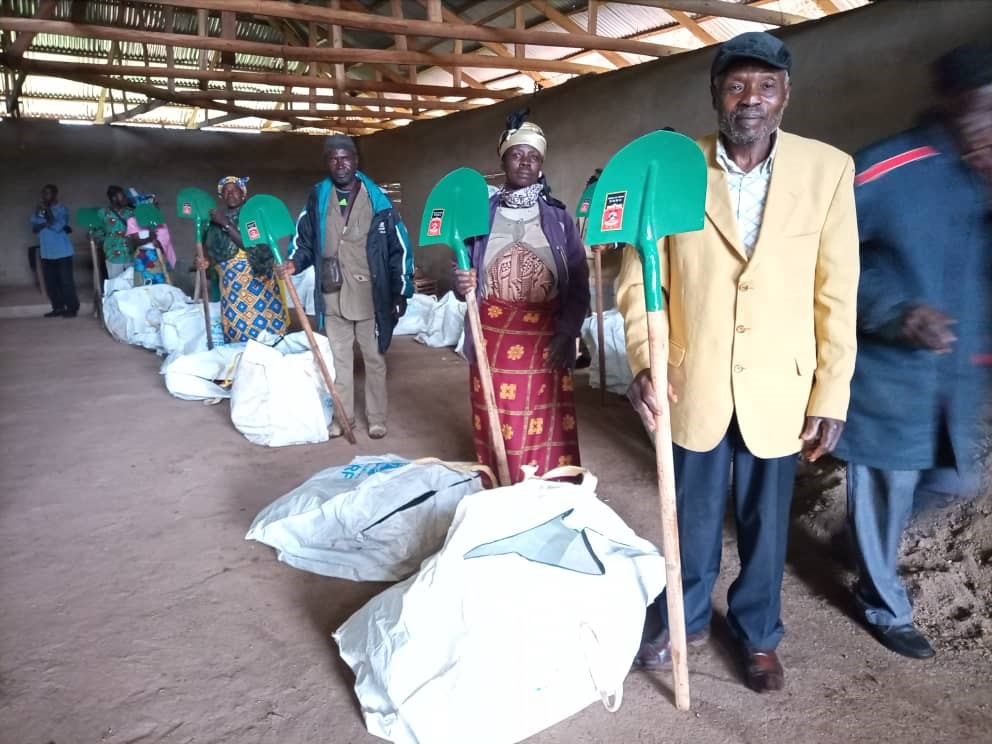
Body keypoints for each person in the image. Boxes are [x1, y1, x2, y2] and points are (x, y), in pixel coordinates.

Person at [617, 31, 859, 692]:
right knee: (690, 515)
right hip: (689, 379)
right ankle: (687, 617)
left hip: (780, 385)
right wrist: (645, 354)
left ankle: (757, 634)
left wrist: (830, 391)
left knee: (765, 523)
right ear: (715, 94)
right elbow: (642, 274)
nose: (750, 99)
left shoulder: (828, 170)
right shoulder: (673, 168)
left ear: (786, 95)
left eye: (766, 86)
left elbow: (837, 290)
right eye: (736, 85)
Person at [832, 42, 992, 661]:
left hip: (952, 377)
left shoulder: (978, 183)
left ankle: (867, 539)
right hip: (888, 374)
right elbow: (828, 263)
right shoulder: (885, 169)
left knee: (953, 478)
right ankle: (883, 604)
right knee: (884, 486)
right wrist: (896, 312)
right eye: (983, 111)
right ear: (953, 105)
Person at [453, 112, 590, 482]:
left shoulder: (558, 218)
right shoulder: (479, 216)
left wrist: (568, 332)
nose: (525, 162)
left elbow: (578, 280)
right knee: (501, 411)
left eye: (533, 156)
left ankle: (550, 485)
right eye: (517, 154)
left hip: (547, 332)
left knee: (546, 415)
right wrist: (460, 282)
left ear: (541, 163)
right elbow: (462, 269)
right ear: (504, 161)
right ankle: (504, 480)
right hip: (492, 333)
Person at [278, 135, 412, 440]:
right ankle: (343, 419)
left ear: (356, 160)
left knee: (374, 358)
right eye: (334, 159)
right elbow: (305, 239)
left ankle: (376, 418)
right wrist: (294, 263)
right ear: (327, 163)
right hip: (332, 290)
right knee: (340, 360)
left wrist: (399, 290)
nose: (341, 164)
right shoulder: (318, 196)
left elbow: (398, 247)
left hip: (369, 293)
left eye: (346, 157)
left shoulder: (377, 198)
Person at [193, 176, 289, 343]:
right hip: (231, 287)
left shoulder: (252, 217)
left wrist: (225, 224)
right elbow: (210, 253)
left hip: (257, 283)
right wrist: (204, 262)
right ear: (221, 197)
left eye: (234, 190)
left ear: (243, 195)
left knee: (265, 331)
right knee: (237, 330)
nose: (230, 194)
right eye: (226, 191)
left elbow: (252, 246)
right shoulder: (214, 224)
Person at [30, 184, 79, 318]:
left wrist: (46, 214)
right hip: (46, 252)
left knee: (66, 282)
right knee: (51, 283)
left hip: (62, 252)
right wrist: (45, 221)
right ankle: (58, 308)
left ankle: (72, 308)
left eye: (47, 193)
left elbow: (57, 226)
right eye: (43, 193)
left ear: (55, 195)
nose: (44, 196)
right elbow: (34, 228)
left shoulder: (62, 210)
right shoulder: (39, 211)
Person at [93, 186, 135, 280]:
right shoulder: (103, 213)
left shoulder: (131, 212)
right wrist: (108, 243)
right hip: (114, 257)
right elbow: (98, 233)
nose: (125, 198)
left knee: (132, 286)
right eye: (123, 196)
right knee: (116, 285)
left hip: (130, 255)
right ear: (114, 198)